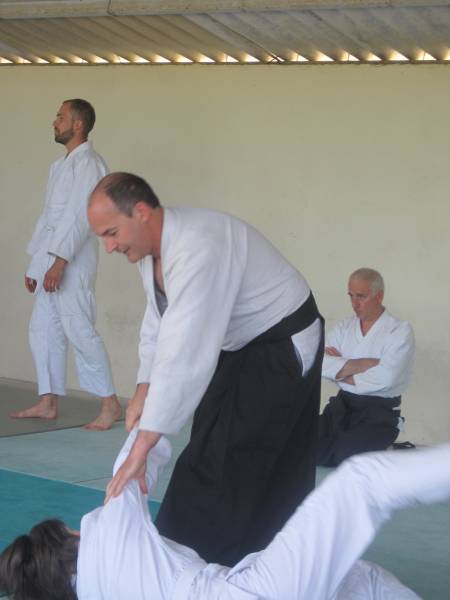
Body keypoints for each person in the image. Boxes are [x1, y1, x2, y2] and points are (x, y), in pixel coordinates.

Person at [87, 172, 324, 565]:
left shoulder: (198, 247)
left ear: (141, 212)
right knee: (217, 447)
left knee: (232, 460)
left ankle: (196, 568)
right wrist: (144, 385)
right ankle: (229, 562)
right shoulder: (154, 251)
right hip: (242, 344)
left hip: (280, 344)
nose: (109, 246)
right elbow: (158, 319)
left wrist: (143, 447)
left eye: (111, 233)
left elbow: (184, 355)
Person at [1, 428, 449, 600]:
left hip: (244, 586)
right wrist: (147, 411)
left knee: (353, 580)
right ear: (71, 538)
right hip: (251, 593)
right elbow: (139, 452)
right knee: (360, 482)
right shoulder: (107, 529)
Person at [11, 99, 121, 430]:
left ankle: (109, 403)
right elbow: (49, 218)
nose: (54, 122)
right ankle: (48, 401)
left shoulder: (90, 164)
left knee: (78, 328)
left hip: (73, 262)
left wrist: (60, 262)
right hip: (49, 261)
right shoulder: (59, 166)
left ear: (78, 125)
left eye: (61, 117)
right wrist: (36, 264)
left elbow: (79, 218)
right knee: (43, 329)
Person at [318, 268, 415, 466]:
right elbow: (319, 363)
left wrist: (339, 370)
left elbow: (386, 378)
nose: (354, 303)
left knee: (348, 458)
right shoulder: (345, 327)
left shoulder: (399, 331)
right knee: (301, 444)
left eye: (361, 296)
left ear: (379, 296)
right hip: (341, 406)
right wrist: (365, 364)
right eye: (351, 296)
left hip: (379, 413)